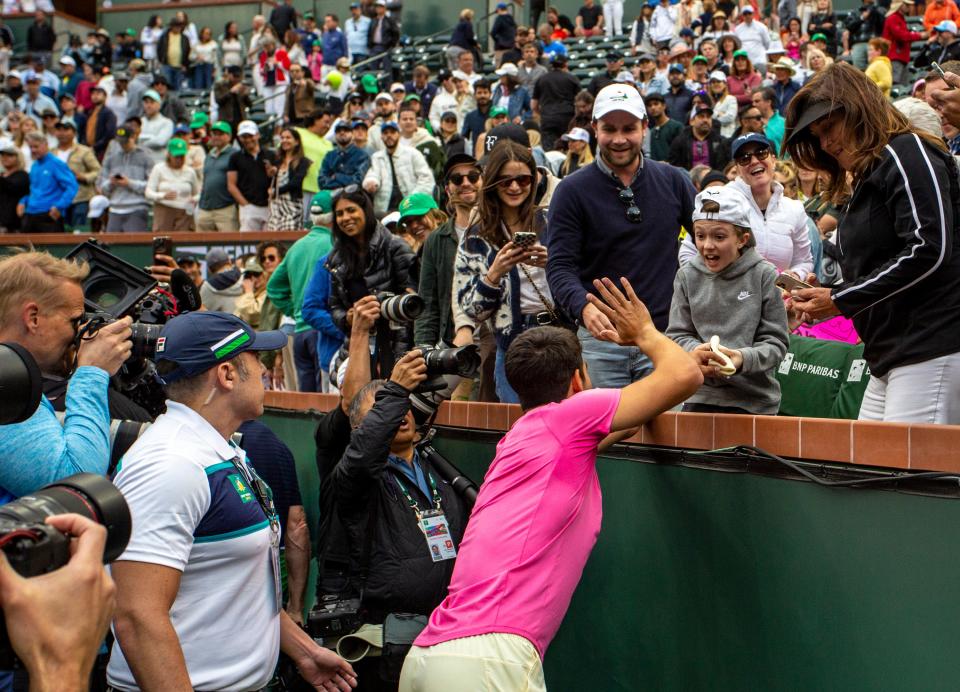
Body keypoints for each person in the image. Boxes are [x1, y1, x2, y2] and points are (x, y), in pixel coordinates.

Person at [401, 283, 702, 690]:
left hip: (430, 658)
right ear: (578, 380)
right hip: (489, 659)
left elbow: (631, 418)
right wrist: (647, 335)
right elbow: (685, 376)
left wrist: (677, 360)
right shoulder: (573, 414)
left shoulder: (525, 438)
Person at [108, 311, 357, 692]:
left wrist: (302, 651)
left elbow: (236, 584)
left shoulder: (218, 449)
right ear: (225, 375)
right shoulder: (171, 464)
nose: (263, 369)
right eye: (256, 358)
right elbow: (137, 615)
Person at [787, 62, 960, 423]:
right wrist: (832, 290)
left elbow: (929, 249)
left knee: (905, 477)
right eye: (817, 134)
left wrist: (839, 299)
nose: (825, 142)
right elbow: (886, 262)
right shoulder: (870, 174)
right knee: (869, 472)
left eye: (829, 126)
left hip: (931, 344)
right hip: (888, 352)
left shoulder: (906, 148)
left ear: (858, 109)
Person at [547, 84, 695, 388]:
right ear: (594, 129)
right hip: (601, 340)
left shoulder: (673, 180)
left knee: (668, 433)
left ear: (645, 127)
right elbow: (560, 266)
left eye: (629, 128)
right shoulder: (571, 191)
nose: (619, 139)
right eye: (609, 129)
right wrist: (583, 307)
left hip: (663, 335)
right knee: (604, 433)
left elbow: (712, 237)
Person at [0, 255, 130, 495]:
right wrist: (92, 371)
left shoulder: (14, 377)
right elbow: (75, 483)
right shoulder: (5, 385)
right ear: (33, 318)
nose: (79, 333)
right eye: (75, 320)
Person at [666, 185, 789, 414]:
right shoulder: (686, 276)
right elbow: (677, 334)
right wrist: (697, 352)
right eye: (700, 236)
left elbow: (776, 343)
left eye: (719, 236)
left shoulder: (764, 275)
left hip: (755, 401)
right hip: (700, 395)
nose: (707, 245)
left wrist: (742, 358)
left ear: (742, 239)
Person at [454, 141, 553, 403]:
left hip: (557, 337)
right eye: (505, 180)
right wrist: (494, 275)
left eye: (523, 179)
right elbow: (473, 310)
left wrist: (551, 263)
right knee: (519, 428)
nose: (514, 187)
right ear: (493, 182)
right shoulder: (476, 236)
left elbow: (579, 279)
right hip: (511, 343)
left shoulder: (551, 221)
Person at [680, 131, 811, 272]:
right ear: (737, 169)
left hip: (778, 293)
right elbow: (687, 254)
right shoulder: (720, 199)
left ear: (773, 160)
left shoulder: (794, 208)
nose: (754, 161)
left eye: (761, 153)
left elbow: (803, 261)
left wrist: (796, 276)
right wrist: (716, 286)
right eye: (744, 158)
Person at [326, 188, 416, 372]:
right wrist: (347, 318)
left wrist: (380, 310)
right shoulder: (337, 257)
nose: (346, 218)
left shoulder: (395, 247)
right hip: (358, 343)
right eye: (340, 214)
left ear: (365, 210)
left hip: (396, 345)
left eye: (351, 210)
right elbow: (334, 306)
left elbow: (413, 300)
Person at [416, 153, 482, 350]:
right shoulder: (436, 240)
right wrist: (423, 349)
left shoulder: (500, 228)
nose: (465, 183)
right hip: (455, 343)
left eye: (472, 176)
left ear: (483, 182)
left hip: (497, 341)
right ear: (447, 189)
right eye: (457, 179)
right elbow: (427, 302)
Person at [362, 121, 434, 217]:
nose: (389, 136)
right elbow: (373, 174)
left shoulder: (412, 153)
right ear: (381, 137)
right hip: (385, 208)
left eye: (392, 132)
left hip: (412, 205)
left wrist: (413, 199)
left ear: (399, 134)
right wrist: (371, 182)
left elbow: (427, 178)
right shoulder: (377, 157)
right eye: (385, 133)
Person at [16, 133, 78, 233]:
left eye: (36, 146)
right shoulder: (34, 166)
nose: (33, 150)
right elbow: (34, 190)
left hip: (49, 215)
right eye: (30, 147)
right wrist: (23, 201)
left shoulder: (57, 163)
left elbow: (72, 186)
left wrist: (59, 206)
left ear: (46, 145)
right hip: (30, 214)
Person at [97, 125, 154, 233]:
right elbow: (101, 186)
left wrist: (129, 183)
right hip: (114, 208)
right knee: (110, 246)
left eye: (125, 141)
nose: (122, 145)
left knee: (135, 246)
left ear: (133, 137)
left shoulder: (146, 156)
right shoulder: (111, 158)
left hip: (137, 207)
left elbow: (151, 186)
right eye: (120, 142)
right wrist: (111, 183)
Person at [228, 120, 277, 231]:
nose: (248, 139)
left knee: (270, 242)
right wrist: (245, 204)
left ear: (257, 135)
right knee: (247, 243)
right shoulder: (235, 157)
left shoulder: (271, 154)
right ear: (240, 138)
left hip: (270, 206)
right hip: (249, 207)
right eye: (244, 136)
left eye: (250, 136)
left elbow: (278, 177)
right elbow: (231, 184)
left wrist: (273, 172)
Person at [53, 119, 100, 229]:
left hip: (80, 198)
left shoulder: (84, 151)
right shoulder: (51, 152)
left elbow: (98, 171)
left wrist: (83, 177)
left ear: (74, 132)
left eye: (66, 129)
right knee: (59, 235)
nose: (62, 133)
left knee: (79, 233)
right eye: (59, 129)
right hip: (58, 199)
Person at [145, 137, 199, 232]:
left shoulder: (190, 171)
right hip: (164, 209)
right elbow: (148, 192)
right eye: (176, 156)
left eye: (182, 156)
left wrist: (194, 199)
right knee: (163, 242)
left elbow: (198, 193)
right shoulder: (159, 168)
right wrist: (162, 196)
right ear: (169, 154)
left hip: (185, 211)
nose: (179, 159)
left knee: (183, 241)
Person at [197, 121, 240, 231]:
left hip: (226, 207)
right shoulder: (209, 155)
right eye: (214, 134)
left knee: (229, 243)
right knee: (200, 244)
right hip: (205, 208)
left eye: (220, 134)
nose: (216, 137)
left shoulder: (235, 155)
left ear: (229, 136)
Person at [532, 54, 580, 150]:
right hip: (567, 118)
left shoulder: (542, 79)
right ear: (565, 64)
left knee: (549, 150)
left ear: (551, 65)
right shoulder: (572, 79)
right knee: (567, 148)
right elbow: (579, 101)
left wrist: (541, 114)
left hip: (548, 118)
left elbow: (534, 105)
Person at [268, 127, 311, 230]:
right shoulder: (277, 161)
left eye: (288, 138)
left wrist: (276, 191)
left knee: (289, 235)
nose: (284, 141)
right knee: (273, 235)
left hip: (292, 205)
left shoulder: (303, 161)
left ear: (296, 142)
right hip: (276, 204)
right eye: (282, 138)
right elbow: (272, 182)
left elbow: (296, 182)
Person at [668, 104, 731, 170]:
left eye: (708, 117)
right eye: (701, 116)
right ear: (692, 121)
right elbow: (674, 167)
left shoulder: (721, 141)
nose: (705, 120)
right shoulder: (680, 142)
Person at [318, 120, 371, 196]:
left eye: (346, 130)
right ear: (335, 135)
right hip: (330, 195)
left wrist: (336, 176)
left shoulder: (362, 155)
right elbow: (321, 181)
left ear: (352, 134)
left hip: (353, 196)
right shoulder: (329, 155)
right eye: (338, 131)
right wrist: (345, 180)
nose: (342, 133)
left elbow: (358, 181)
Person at [883, 0, 926, 86]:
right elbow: (902, 36)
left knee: (902, 85)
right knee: (896, 84)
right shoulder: (893, 18)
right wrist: (920, 36)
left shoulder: (899, 18)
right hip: (895, 57)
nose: (908, 6)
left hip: (901, 57)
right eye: (906, 4)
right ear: (899, 5)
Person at [842, 0, 886, 70]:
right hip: (858, 43)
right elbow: (849, 27)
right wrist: (862, 18)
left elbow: (883, 24)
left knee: (876, 67)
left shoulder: (880, 10)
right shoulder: (856, 11)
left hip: (874, 42)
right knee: (858, 69)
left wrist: (874, 11)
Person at [200, 248, 243, 313]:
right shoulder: (246, 274)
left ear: (210, 269)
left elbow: (200, 314)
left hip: (224, 322)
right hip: (246, 323)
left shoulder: (207, 286)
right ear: (229, 261)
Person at [139, 88, 174, 165]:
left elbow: (160, 142)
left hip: (159, 163)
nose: (148, 105)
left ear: (159, 105)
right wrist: (152, 137)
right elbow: (133, 139)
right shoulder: (139, 122)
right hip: (141, 164)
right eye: (146, 102)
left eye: (152, 102)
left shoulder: (167, 122)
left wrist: (141, 143)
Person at [215, 65, 253, 136]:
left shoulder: (242, 86)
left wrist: (245, 95)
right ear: (229, 75)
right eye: (235, 76)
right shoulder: (220, 85)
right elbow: (219, 101)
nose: (237, 79)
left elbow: (250, 104)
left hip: (240, 119)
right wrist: (231, 92)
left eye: (239, 76)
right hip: (227, 120)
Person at [645, 92, 684, 161]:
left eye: (656, 104)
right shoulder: (651, 131)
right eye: (649, 105)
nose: (653, 107)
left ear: (664, 106)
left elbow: (682, 153)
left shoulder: (677, 127)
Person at [0, 142, 29, 232]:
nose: (5, 158)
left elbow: (12, 186)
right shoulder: (2, 176)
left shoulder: (22, 175)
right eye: (3, 155)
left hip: (13, 225)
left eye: (10, 155)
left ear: (18, 158)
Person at [157, 18, 191, 91]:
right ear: (171, 27)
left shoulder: (184, 38)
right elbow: (159, 49)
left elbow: (187, 51)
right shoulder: (164, 37)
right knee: (167, 85)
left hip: (179, 66)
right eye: (176, 26)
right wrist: (161, 61)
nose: (178, 28)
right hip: (166, 65)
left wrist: (185, 64)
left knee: (178, 86)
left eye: (179, 26)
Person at [368, 0, 400, 74]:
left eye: (380, 7)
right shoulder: (373, 21)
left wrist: (391, 45)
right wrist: (370, 46)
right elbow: (369, 34)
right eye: (377, 7)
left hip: (386, 47)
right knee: (373, 69)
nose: (378, 9)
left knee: (387, 70)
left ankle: (387, 84)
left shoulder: (389, 20)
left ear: (385, 8)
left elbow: (395, 33)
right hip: (375, 47)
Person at [751, 86, 785, 153]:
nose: (753, 104)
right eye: (753, 102)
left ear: (768, 102)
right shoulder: (751, 122)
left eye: (757, 101)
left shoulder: (784, 123)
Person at [491, 2, 518, 67]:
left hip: (500, 48)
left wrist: (498, 40)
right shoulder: (511, 19)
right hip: (511, 47)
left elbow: (493, 32)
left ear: (499, 9)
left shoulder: (499, 19)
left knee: (500, 67)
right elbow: (516, 30)